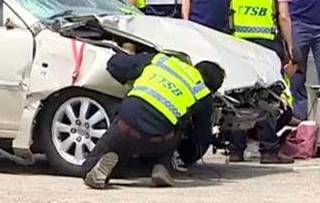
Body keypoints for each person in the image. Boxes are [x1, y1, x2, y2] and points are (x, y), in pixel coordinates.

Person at [82, 47, 225, 189]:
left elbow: (116, 64)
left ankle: (109, 167)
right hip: (159, 141)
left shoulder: (161, 61)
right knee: (177, 131)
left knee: (88, 169)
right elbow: (200, 138)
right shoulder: (202, 94)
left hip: (125, 128)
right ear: (212, 89)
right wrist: (188, 158)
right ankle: (158, 166)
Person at [225, 0, 296, 164]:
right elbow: (283, 16)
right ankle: (269, 151)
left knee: (238, 95)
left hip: (239, 40)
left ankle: (236, 149)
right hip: (266, 41)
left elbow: (231, 8)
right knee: (267, 96)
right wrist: (290, 46)